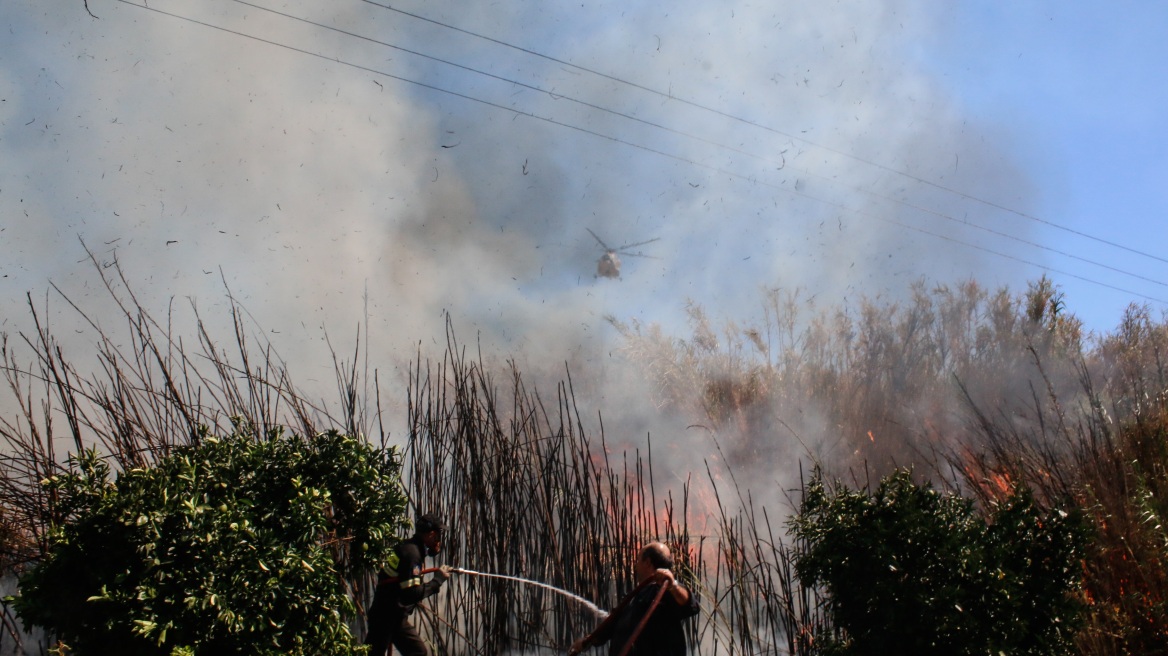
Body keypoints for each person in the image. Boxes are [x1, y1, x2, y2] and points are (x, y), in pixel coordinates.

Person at [569, 541, 699, 656]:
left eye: (638, 561)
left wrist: (672, 585)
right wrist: (586, 642)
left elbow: (689, 605)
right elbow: (610, 627)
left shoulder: (665, 591)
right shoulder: (633, 598)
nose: (635, 566)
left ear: (647, 562)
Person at [365, 513, 453, 656]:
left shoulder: (409, 548)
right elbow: (411, 593)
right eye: (438, 535)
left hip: (392, 615)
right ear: (431, 534)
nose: (439, 540)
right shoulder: (412, 554)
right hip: (385, 617)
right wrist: (437, 581)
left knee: (417, 652)